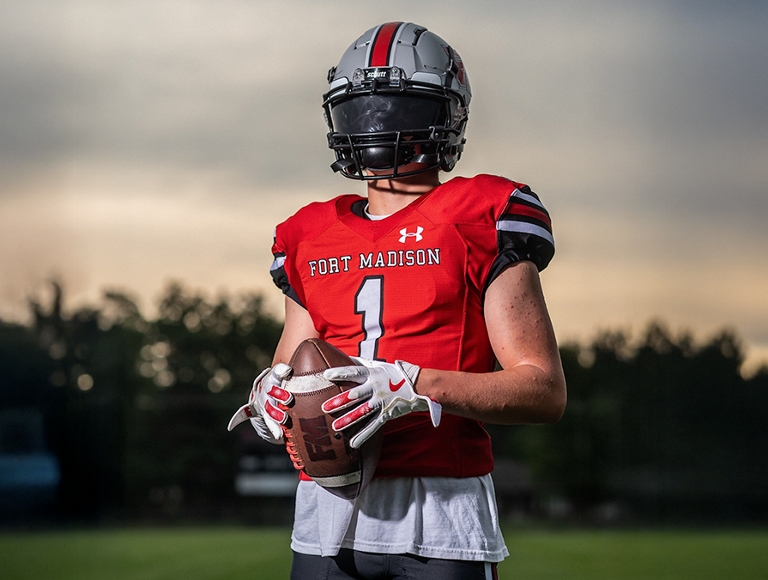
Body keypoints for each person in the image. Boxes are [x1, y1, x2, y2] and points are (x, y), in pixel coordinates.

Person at [229, 21, 566, 580]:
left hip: (441, 513)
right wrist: (271, 395)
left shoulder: (481, 213)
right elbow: (292, 366)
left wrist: (411, 385)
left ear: (444, 116)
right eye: (364, 108)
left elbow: (543, 390)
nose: (377, 124)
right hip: (325, 513)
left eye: (398, 107)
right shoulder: (308, 234)